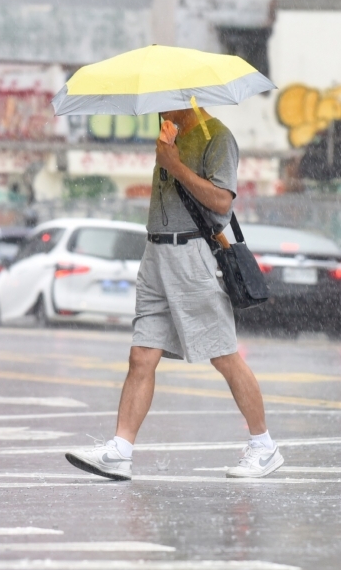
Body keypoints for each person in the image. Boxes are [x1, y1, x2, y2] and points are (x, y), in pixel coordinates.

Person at [65, 106, 284, 480]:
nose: (160, 106)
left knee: (223, 353)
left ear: (189, 97)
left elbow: (221, 203)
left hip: (191, 254)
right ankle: (120, 450)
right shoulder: (170, 133)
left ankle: (264, 446)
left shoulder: (218, 138)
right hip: (155, 255)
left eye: (168, 99)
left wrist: (174, 163)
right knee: (141, 356)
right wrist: (167, 150)